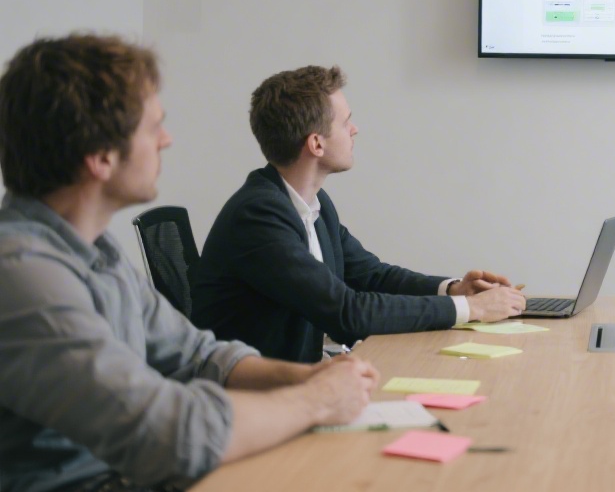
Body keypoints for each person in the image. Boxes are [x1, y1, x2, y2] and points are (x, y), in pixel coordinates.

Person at [0, 35, 377, 492]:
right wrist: (313, 401)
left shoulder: (97, 250)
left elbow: (199, 355)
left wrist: (310, 377)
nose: (167, 139)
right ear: (100, 157)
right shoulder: (21, 275)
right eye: (152, 127)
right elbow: (166, 435)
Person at [190, 65, 526, 363]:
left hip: (301, 381)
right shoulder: (259, 215)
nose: (355, 130)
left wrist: (454, 291)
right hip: (256, 403)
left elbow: (372, 276)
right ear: (316, 144)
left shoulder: (313, 205)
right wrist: (473, 310)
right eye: (345, 122)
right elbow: (348, 313)